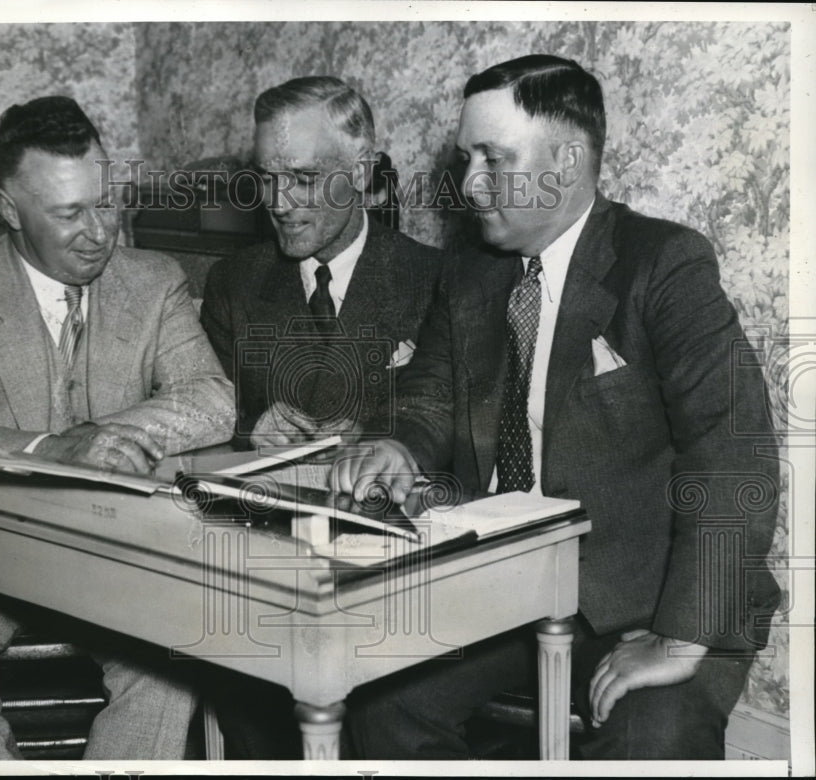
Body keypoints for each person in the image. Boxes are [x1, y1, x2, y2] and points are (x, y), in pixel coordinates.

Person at [332, 55, 781, 760]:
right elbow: (428, 391)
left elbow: (733, 448)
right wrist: (402, 445)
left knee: (651, 741)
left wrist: (681, 635)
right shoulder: (471, 271)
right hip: (513, 586)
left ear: (567, 161)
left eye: (494, 158)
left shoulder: (664, 264)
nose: (471, 183)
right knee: (383, 703)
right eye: (464, 157)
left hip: (652, 597)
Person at [0, 95, 236, 760]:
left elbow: (209, 396)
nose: (100, 231)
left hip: (101, 534)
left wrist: (110, 437)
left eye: (104, 202)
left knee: (176, 663)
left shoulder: (154, 281)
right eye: (68, 213)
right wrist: (58, 448)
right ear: (9, 209)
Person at [200, 76, 443, 449]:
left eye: (304, 178)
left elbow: (452, 419)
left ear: (360, 172)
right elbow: (205, 411)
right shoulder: (232, 283)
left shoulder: (434, 280)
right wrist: (250, 429)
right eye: (267, 178)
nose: (279, 204)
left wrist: (374, 438)